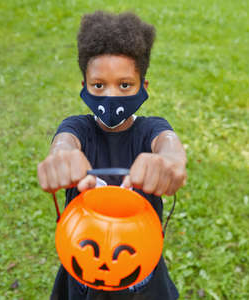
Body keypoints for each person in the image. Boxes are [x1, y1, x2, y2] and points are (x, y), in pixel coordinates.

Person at [37, 10, 187, 300]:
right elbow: (64, 144)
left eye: (125, 84)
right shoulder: (77, 128)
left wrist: (170, 161)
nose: (111, 97)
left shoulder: (151, 130)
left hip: (139, 272)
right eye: (98, 85)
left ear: (143, 86)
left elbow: (168, 144)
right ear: (84, 87)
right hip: (85, 270)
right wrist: (61, 156)